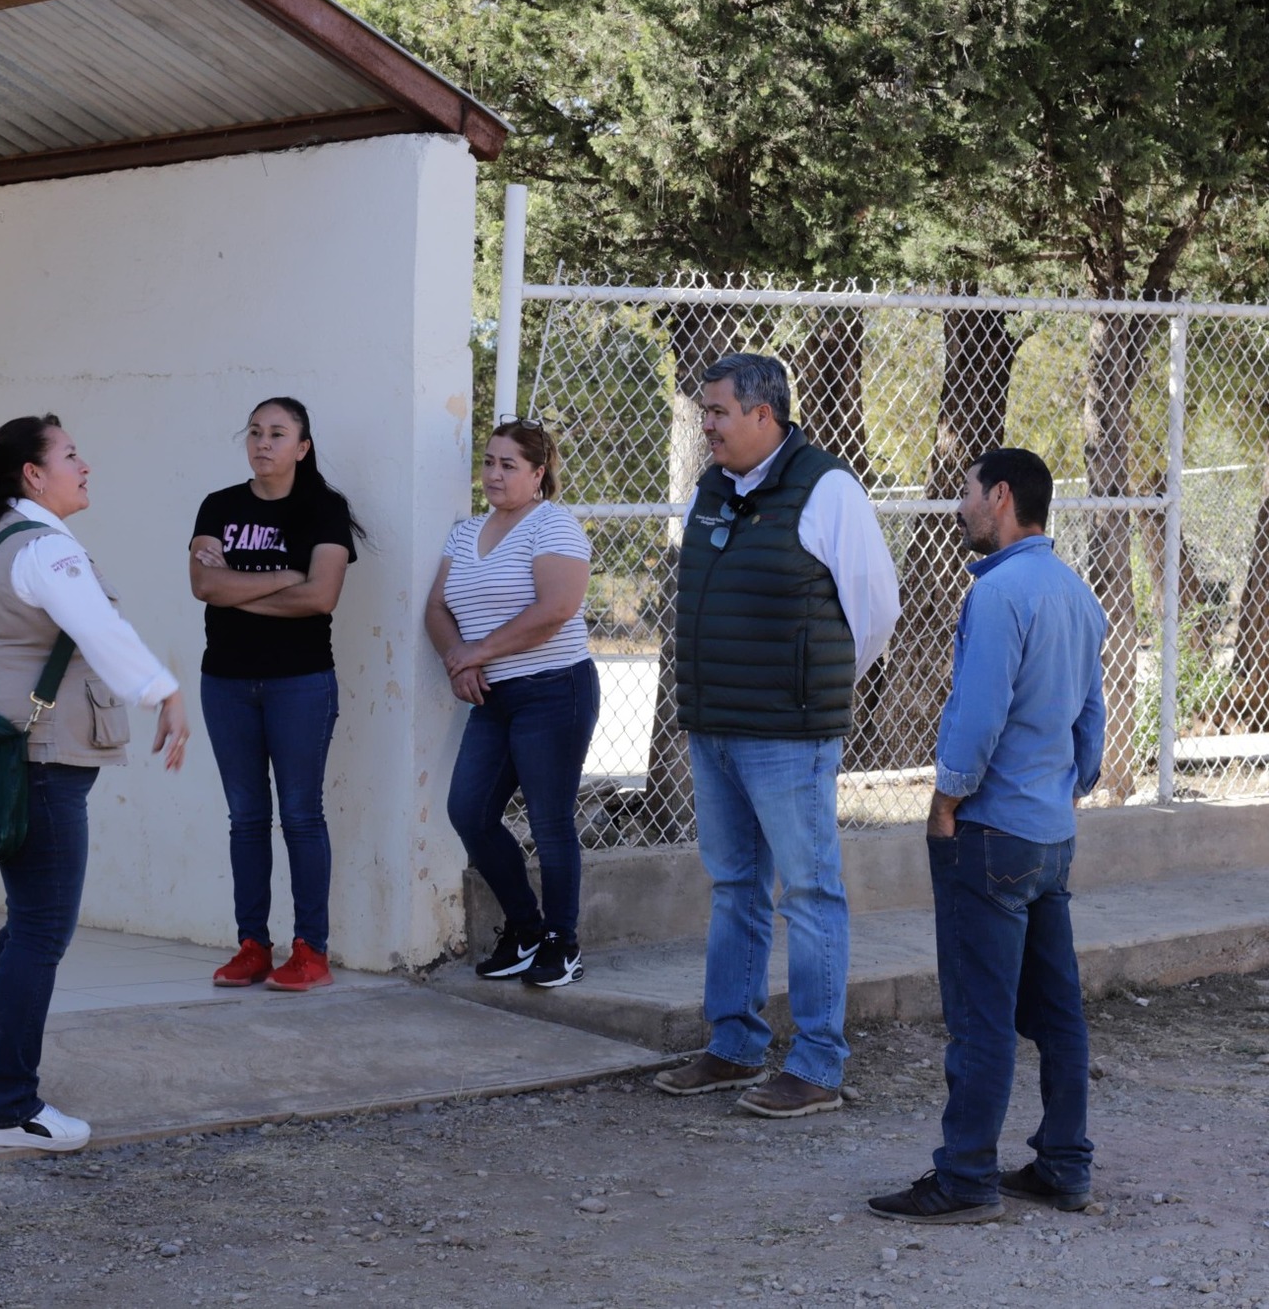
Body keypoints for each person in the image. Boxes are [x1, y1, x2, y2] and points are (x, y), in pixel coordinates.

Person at [652, 352, 900, 1118]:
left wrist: (807, 686)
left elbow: (875, 610)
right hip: (715, 727)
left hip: (788, 734)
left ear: (765, 414)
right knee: (735, 889)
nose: (707, 424)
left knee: (811, 893)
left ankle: (817, 1064)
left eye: (719, 412)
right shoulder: (713, 487)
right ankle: (733, 1045)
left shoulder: (828, 488)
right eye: (705, 411)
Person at [0, 414, 191, 1153]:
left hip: (17, 756)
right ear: (33, 475)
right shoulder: (45, 547)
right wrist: (166, 691)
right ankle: (3, 1106)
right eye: (72, 455)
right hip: (42, 761)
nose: (86, 465)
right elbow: (100, 629)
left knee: (27, 924)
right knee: (42, 930)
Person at [869, 448, 1105, 1223]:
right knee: (1058, 1011)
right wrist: (1066, 788)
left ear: (1001, 496)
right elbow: (1091, 722)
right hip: (1051, 835)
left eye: (968, 492)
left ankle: (967, 1175)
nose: (959, 505)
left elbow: (977, 717)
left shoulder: (998, 593)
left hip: (992, 832)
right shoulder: (1076, 591)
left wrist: (946, 801)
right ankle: (1065, 1164)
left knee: (980, 1013)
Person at [190, 398, 363, 991]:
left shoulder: (324, 509)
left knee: (300, 815)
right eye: (255, 432)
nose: (263, 443)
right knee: (245, 818)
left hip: (300, 683)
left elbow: (321, 597)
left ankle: (311, 950)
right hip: (226, 682)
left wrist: (237, 589)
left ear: (302, 447)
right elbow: (202, 583)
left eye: (278, 434)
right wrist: (286, 577)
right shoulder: (219, 505)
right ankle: (252, 946)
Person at [427, 419, 599, 990]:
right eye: (489, 462)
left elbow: (556, 609)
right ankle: (525, 930)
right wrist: (459, 659)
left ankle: (562, 944)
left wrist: (477, 652)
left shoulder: (553, 525)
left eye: (509, 465)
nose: (494, 474)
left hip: (554, 690)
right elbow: (436, 608)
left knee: (550, 821)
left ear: (537, 473)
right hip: (493, 697)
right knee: (469, 812)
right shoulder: (464, 534)